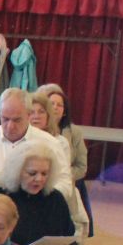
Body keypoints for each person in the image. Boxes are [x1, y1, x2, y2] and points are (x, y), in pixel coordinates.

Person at [0, 89, 74, 207]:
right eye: (5, 119)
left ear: (29, 115)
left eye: (17, 120)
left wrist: (40, 193)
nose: (10, 126)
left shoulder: (50, 143)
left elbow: (65, 184)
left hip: (36, 211)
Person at [38, 83, 92, 236]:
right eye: (51, 103)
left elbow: (81, 167)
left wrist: (62, 176)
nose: (55, 107)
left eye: (59, 105)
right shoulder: (34, 131)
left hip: (65, 185)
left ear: (64, 111)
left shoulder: (74, 133)